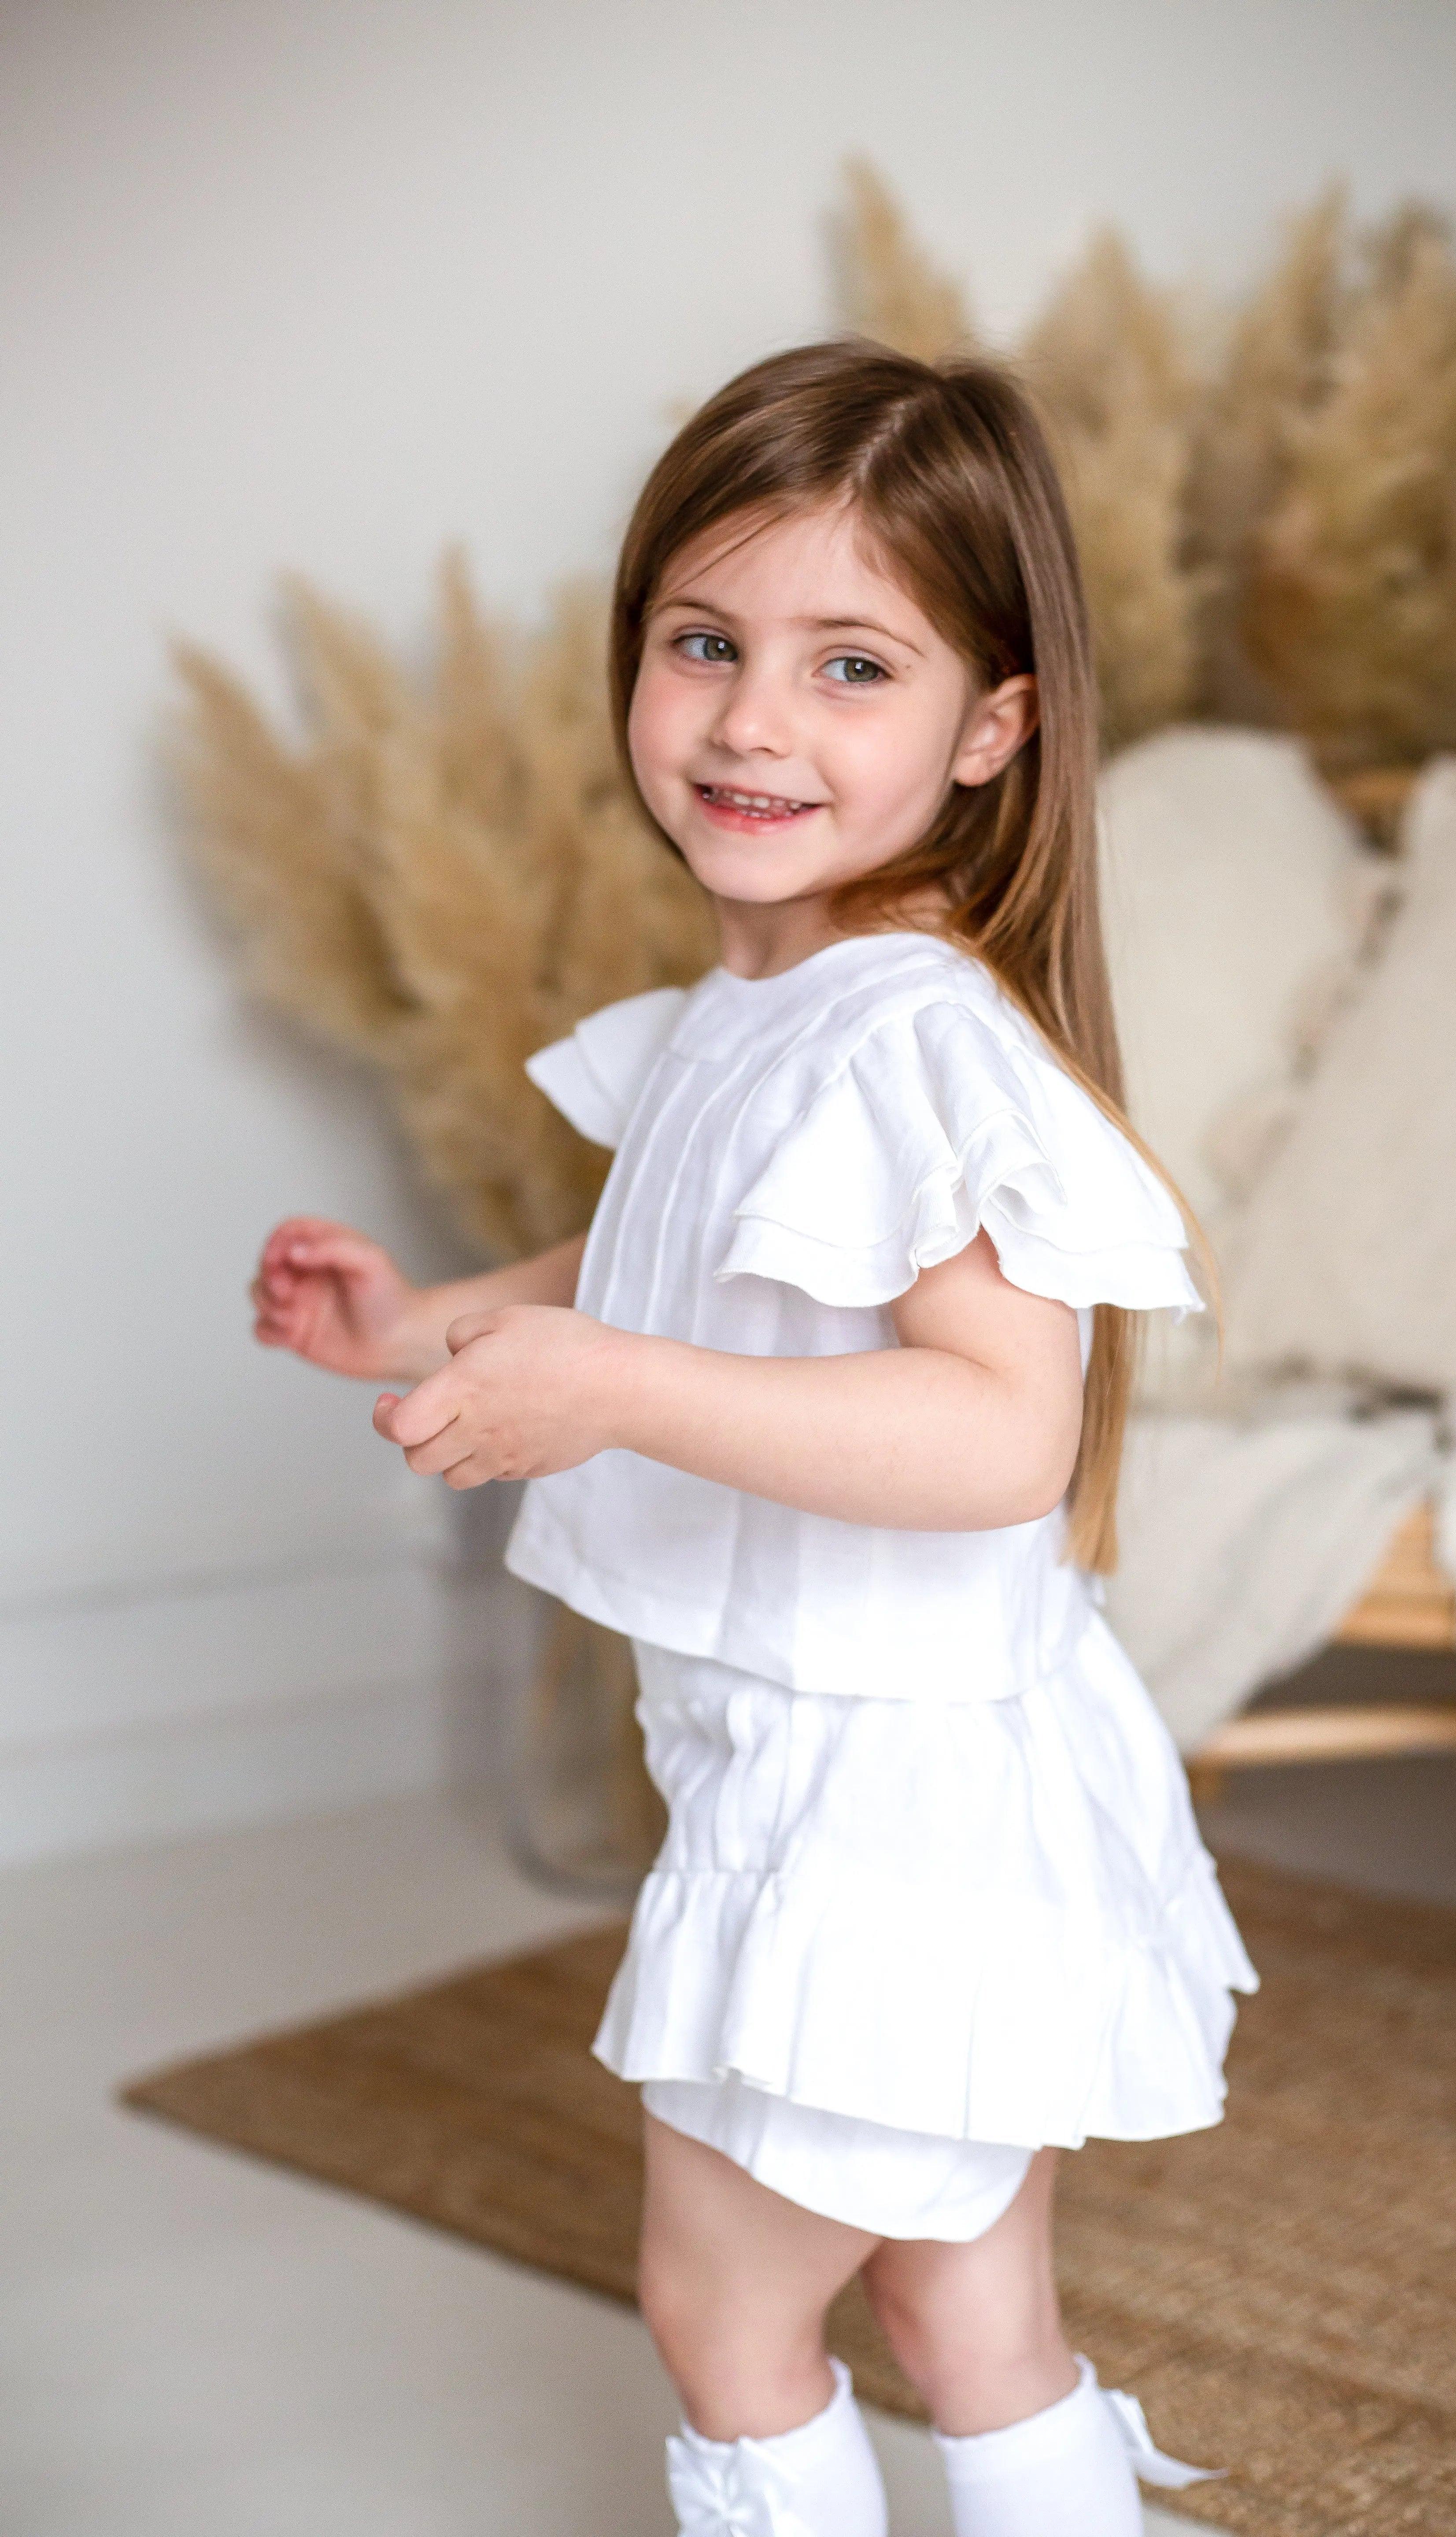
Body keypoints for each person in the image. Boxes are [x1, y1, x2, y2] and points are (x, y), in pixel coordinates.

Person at [250, 339, 1258, 2537]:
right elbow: (671, 1270)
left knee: (727, 2322)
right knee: (969, 2324)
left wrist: (605, 1395)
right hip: (873, 1775)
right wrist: (425, 1321)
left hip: (877, 1810)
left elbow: (1002, 1429)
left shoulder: (912, 1040)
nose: (751, 722)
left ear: (993, 729)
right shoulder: (764, 1005)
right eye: (705, 644)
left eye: (852, 665)